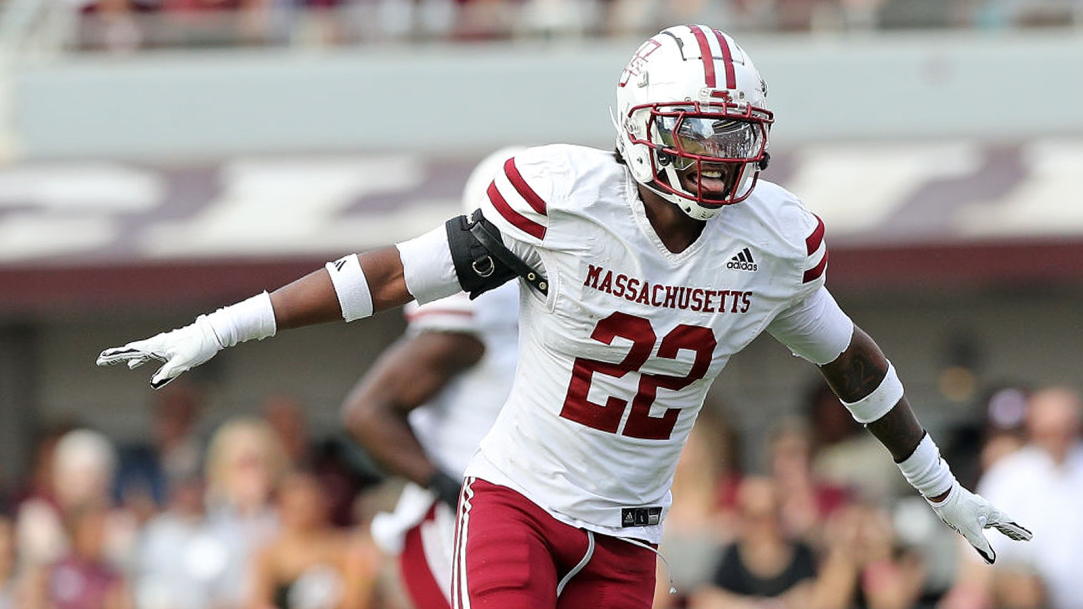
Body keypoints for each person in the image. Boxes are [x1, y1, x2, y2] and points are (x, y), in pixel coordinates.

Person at [97, 24, 1032, 608]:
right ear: (637, 126)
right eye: (695, 131)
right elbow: (387, 278)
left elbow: (854, 363)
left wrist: (939, 488)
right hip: (517, 504)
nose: (718, 155)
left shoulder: (772, 242)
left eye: (734, 133)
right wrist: (224, 326)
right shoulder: (565, 204)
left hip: (629, 533)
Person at [339, 147, 522, 609]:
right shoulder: (484, 302)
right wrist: (447, 487)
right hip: (463, 529)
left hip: (529, 520)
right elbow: (366, 412)